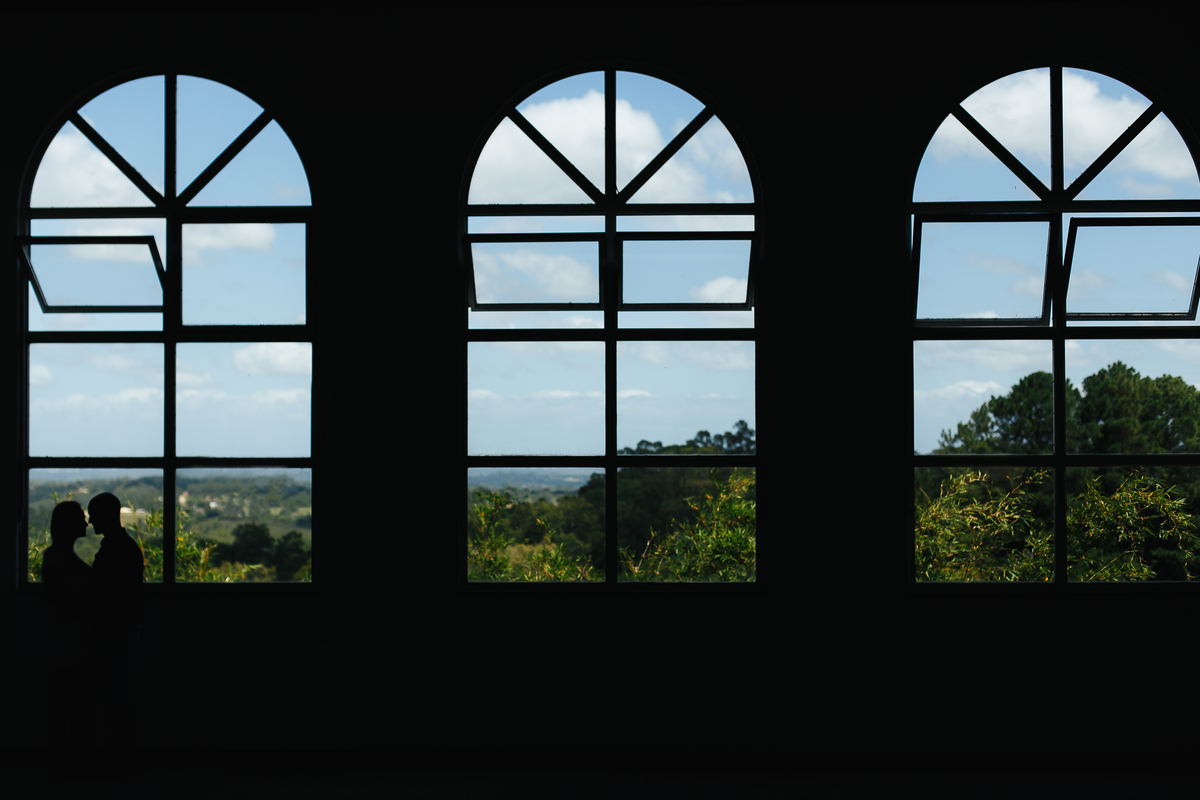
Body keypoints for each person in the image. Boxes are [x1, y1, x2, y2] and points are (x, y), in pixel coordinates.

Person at [87, 492, 144, 752]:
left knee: (116, 692)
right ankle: (121, 750)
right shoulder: (124, 546)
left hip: (116, 629)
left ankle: (119, 750)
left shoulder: (114, 549)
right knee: (118, 691)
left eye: (94, 515)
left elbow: (103, 592)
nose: (91, 522)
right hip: (123, 627)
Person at [42, 500, 92, 749]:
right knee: (71, 699)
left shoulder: (58, 557)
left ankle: (65, 753)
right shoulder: (57, 558)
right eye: (81, 518)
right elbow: (57, 598)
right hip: (68, 640)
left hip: (69, 639)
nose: (86, 522)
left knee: (67, 698)